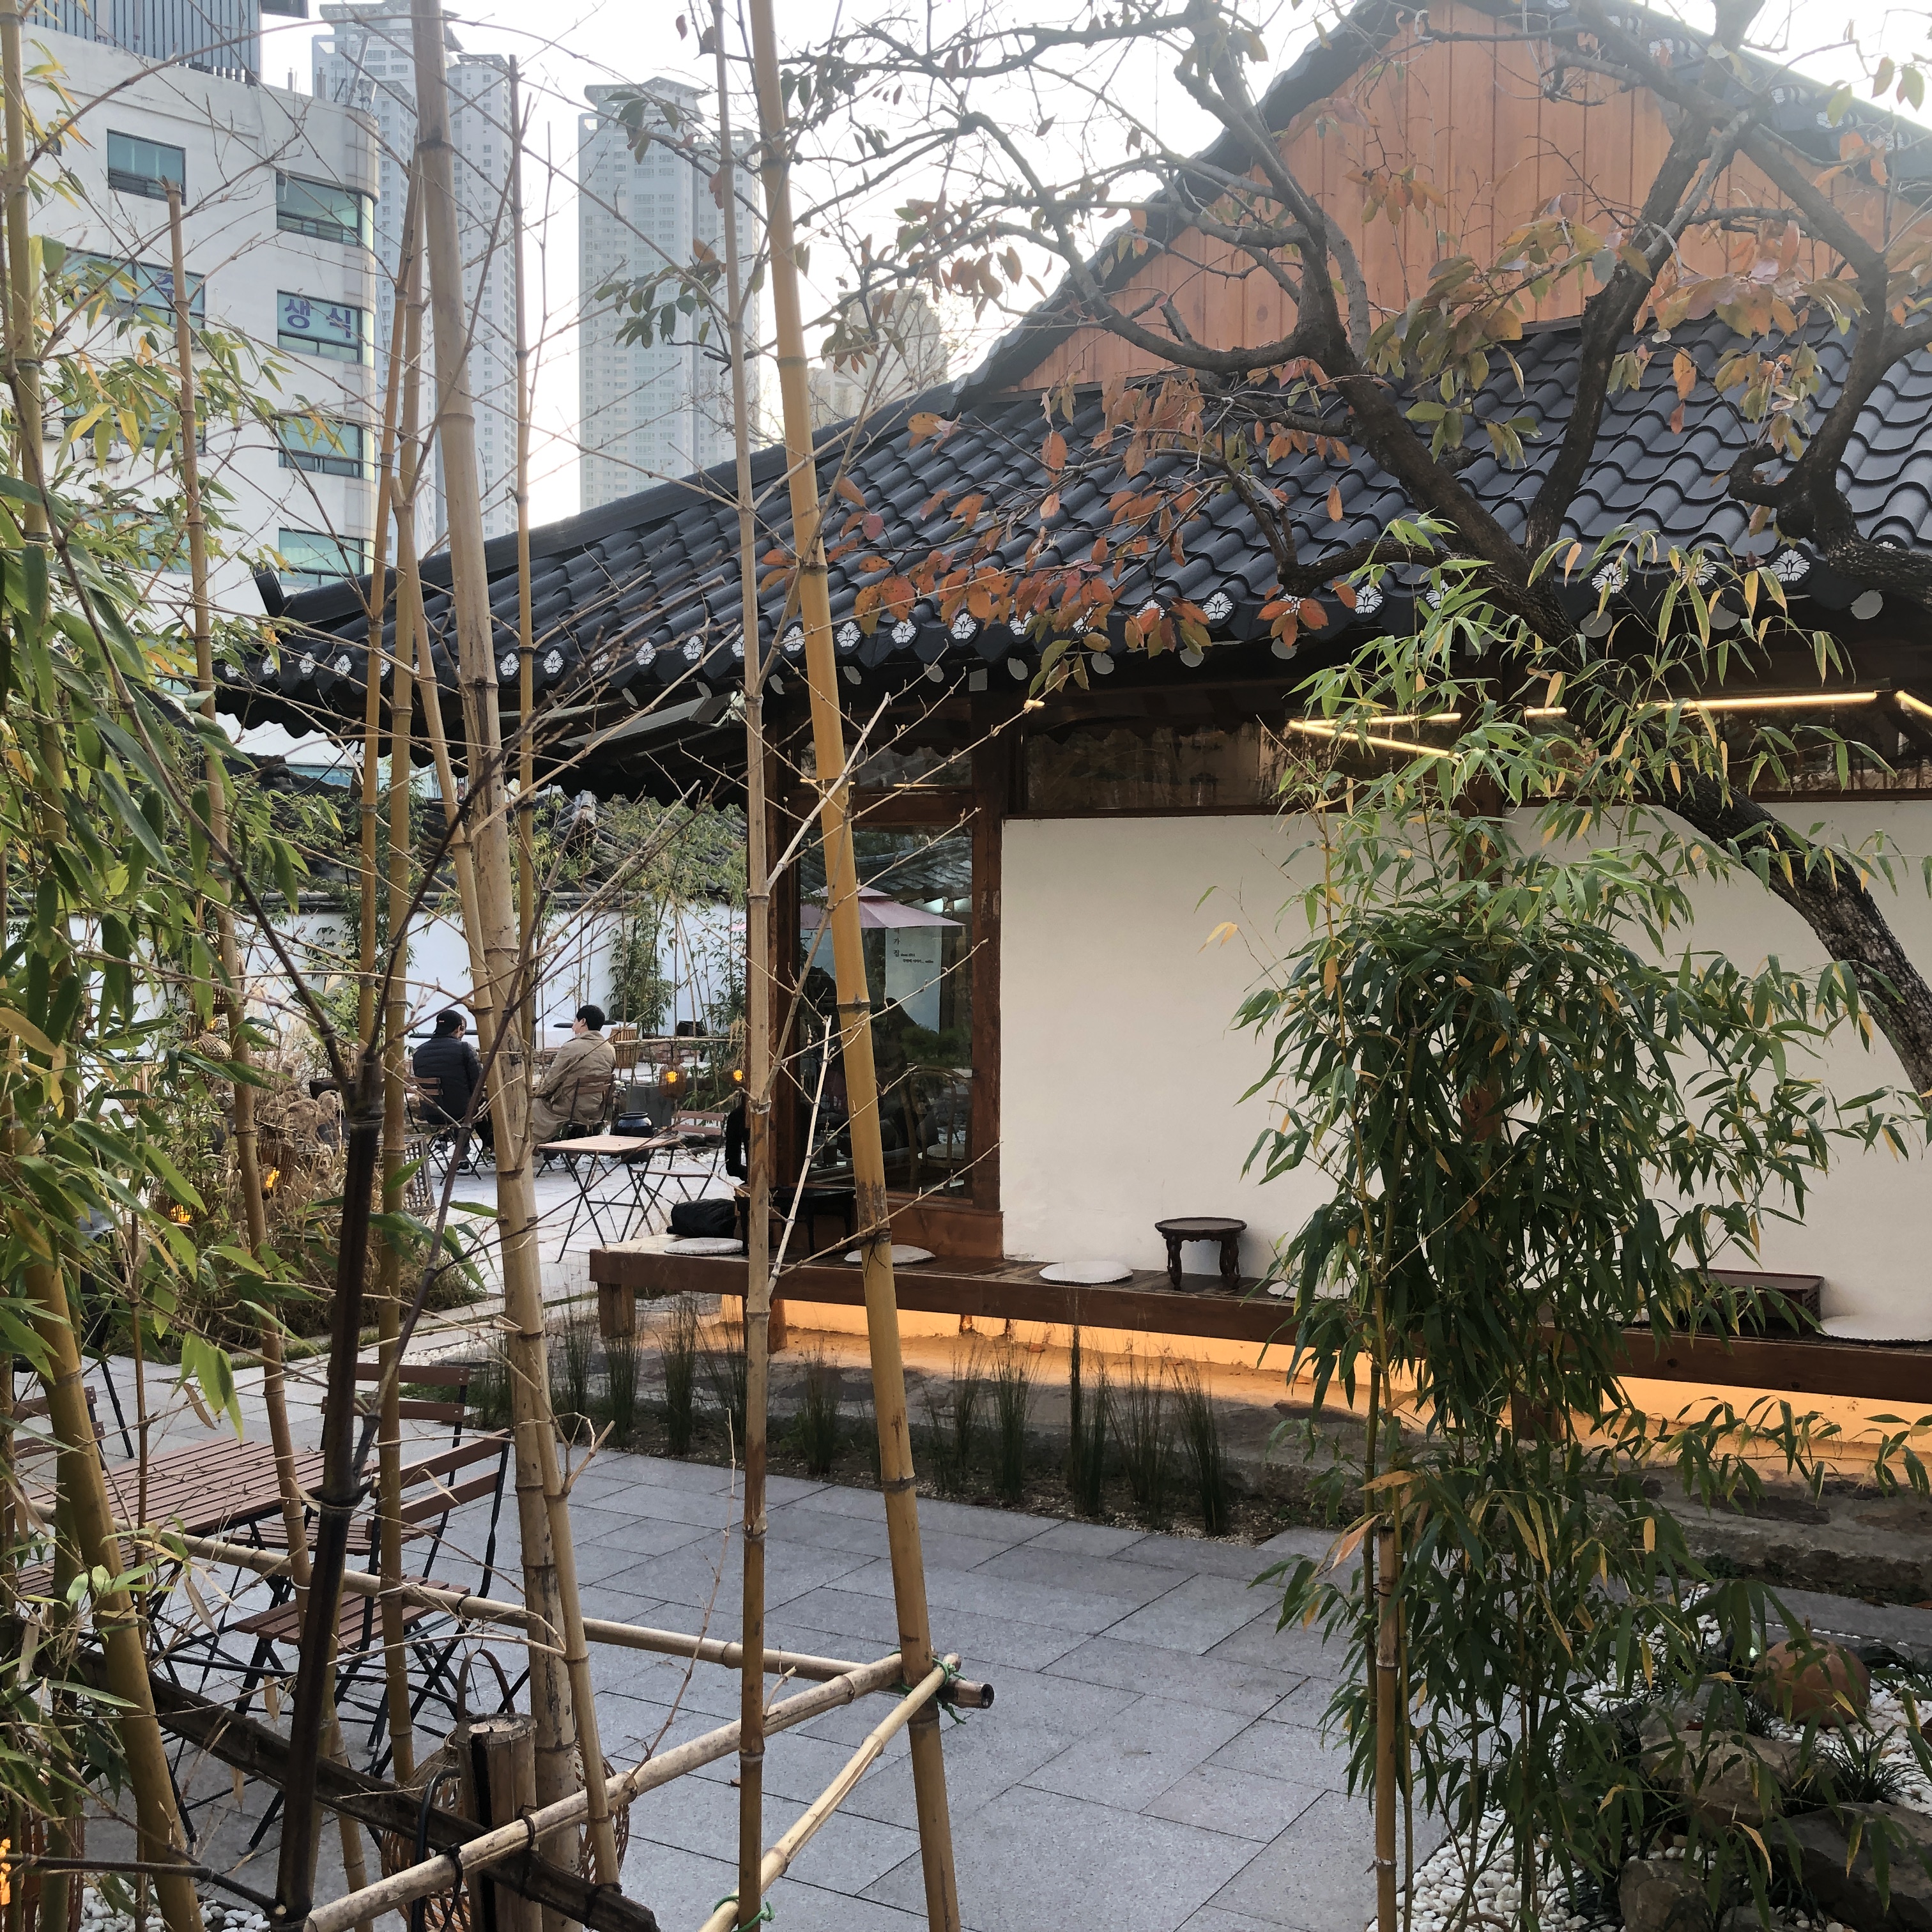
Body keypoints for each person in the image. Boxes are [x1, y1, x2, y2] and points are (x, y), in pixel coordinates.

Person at [530, 1003, 617, 1146]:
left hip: (570, 1108)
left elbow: (551, 1083)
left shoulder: (571, 1047)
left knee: (532, 1105)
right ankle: (570, 1152)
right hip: (595, 1109)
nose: (572, 1026)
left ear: (583, 1022)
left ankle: (531, 1147)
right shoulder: (610, 1049)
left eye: (575, 1020)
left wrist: (535, 1093)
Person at [412, 1009, 493, 1158]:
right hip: (461, 1113)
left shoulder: (419, 1052)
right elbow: (479, 1082)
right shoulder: (464, 1049)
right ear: (458, 1028)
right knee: (483, 1105)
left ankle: (454, 1146)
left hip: (432, 1114)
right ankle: (491, 1148)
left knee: (468, 1106)